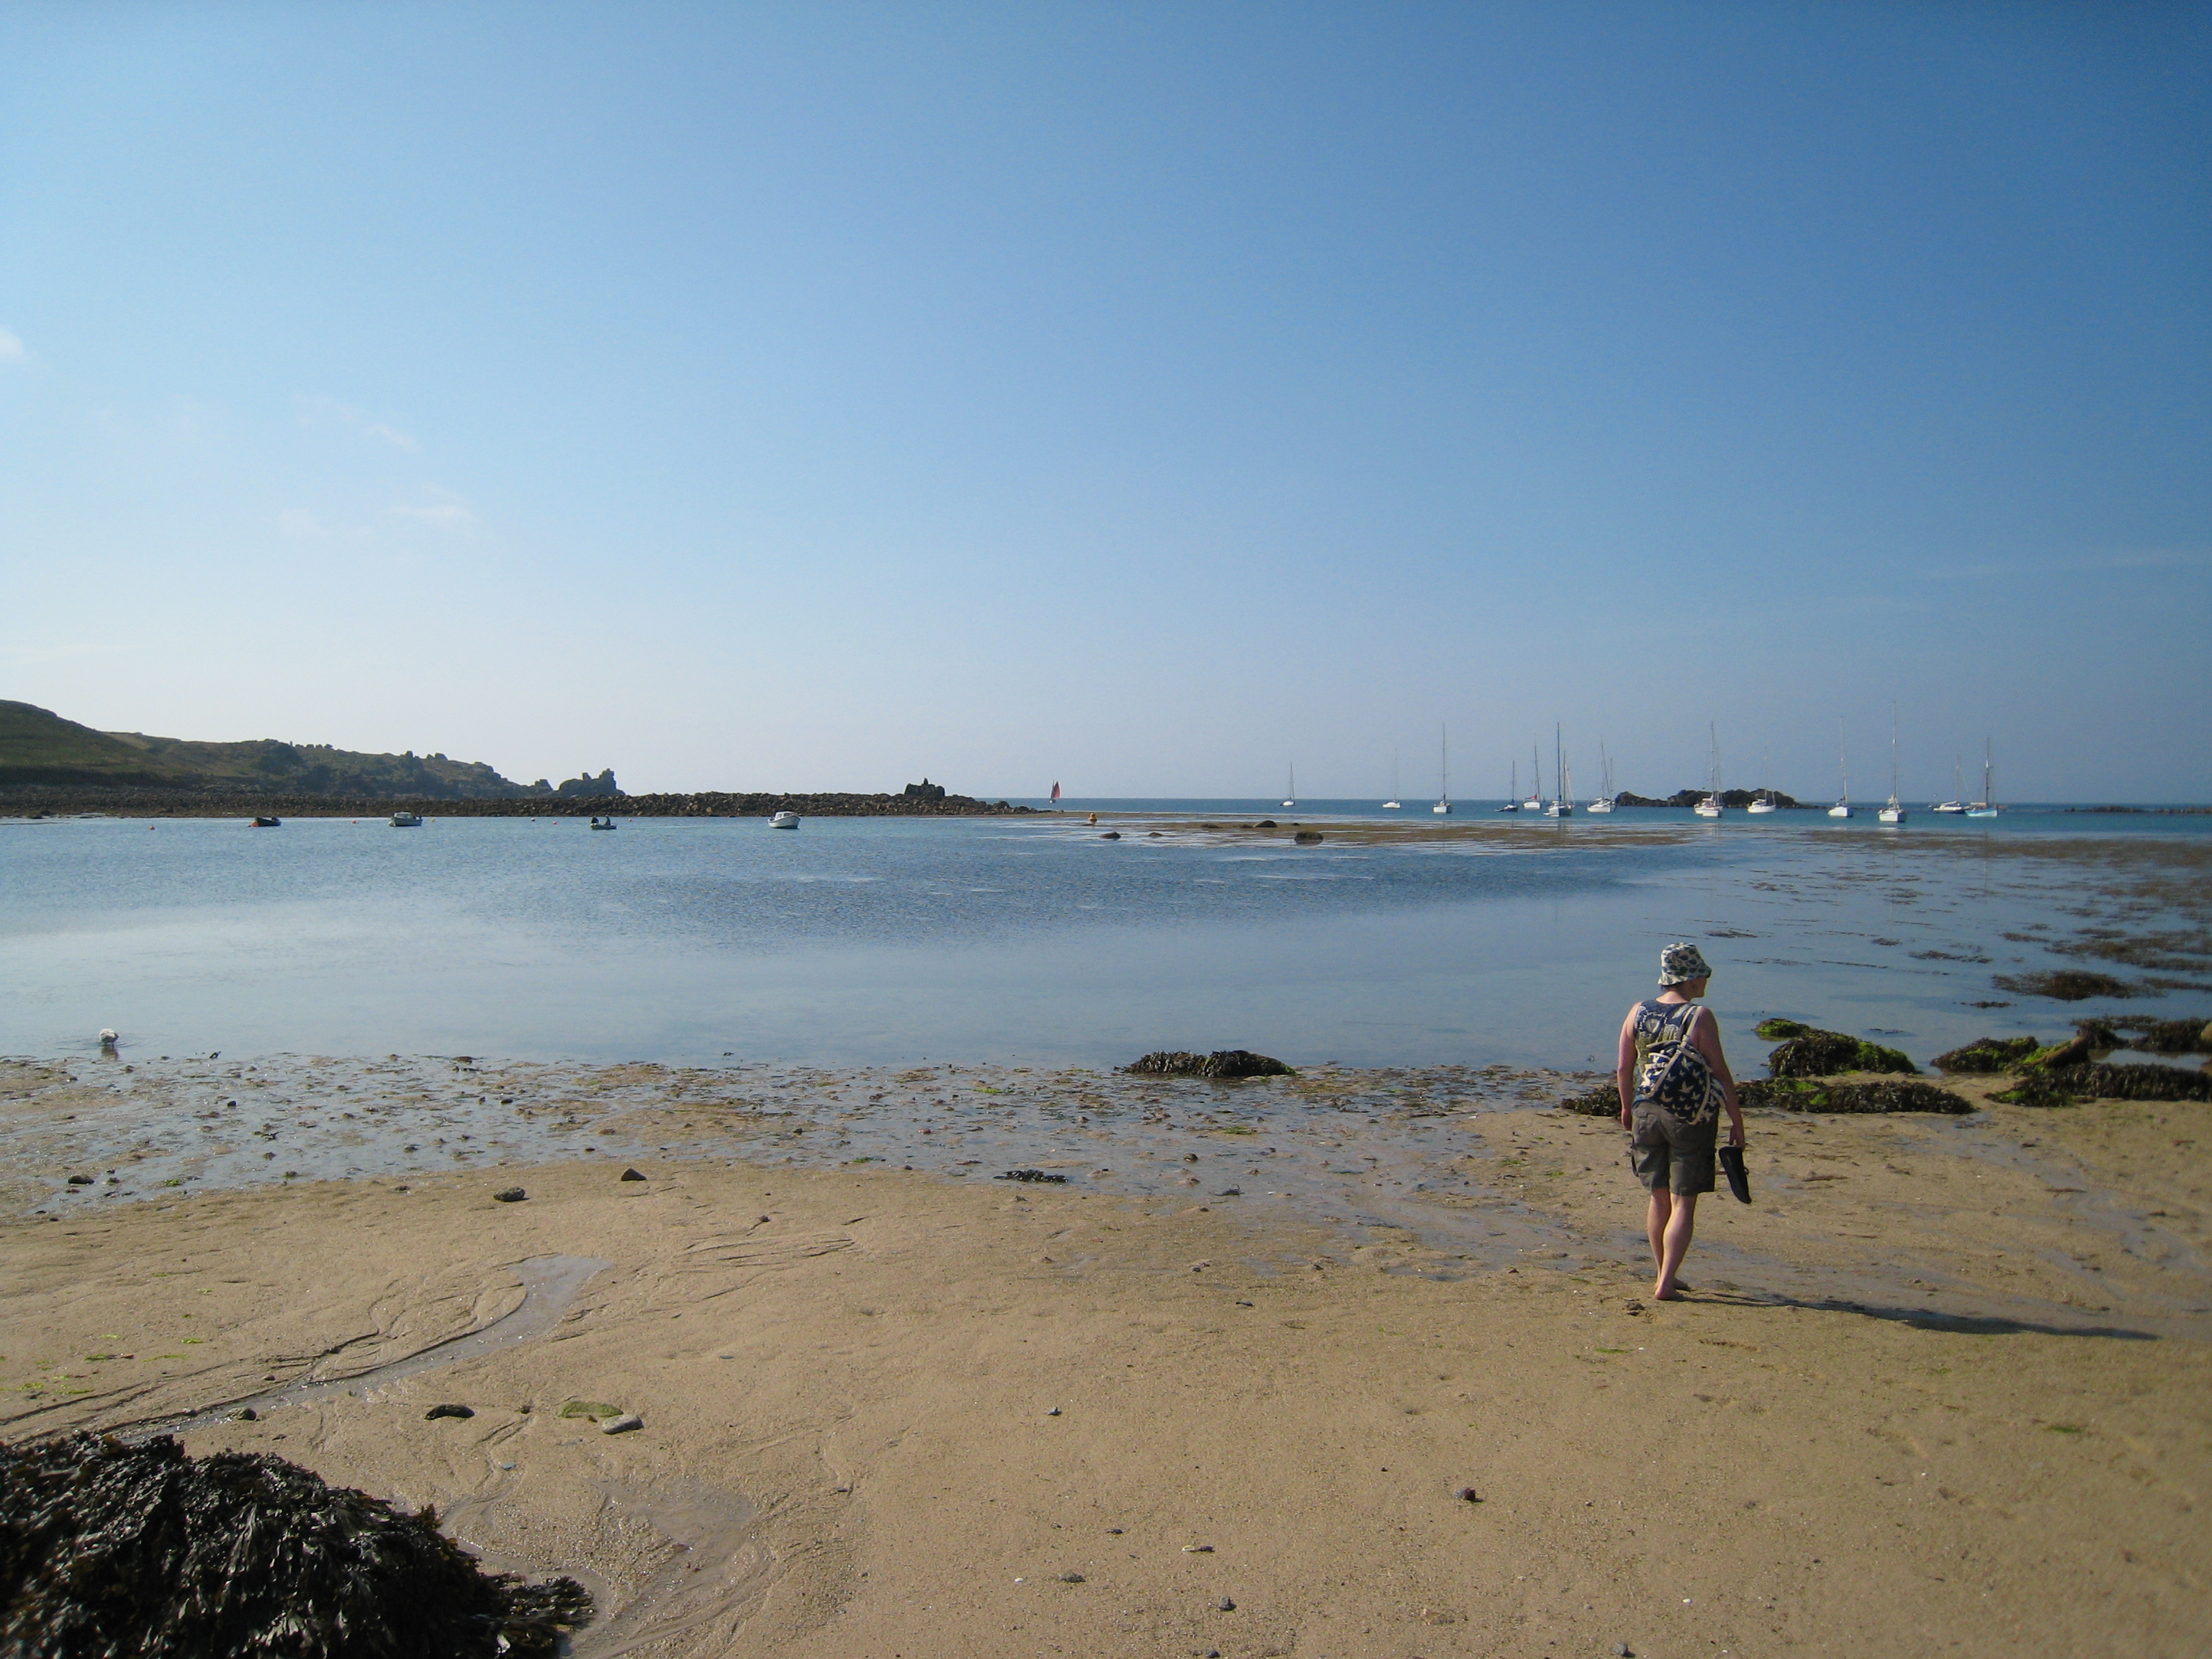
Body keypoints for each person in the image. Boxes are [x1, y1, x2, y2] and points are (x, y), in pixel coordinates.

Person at [1615, 942, 1745, 1300]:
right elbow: (1720, 1073)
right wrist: (1736, 1120)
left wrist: (1626, 1108)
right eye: (1703, 976)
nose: (1706, 982)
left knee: (1658, 1198)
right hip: (1690, 1116)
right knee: (1683, 1201)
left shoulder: (1638, 1011)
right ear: (1691, 980)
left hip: (1645, 1111)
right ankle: (1666, 1282)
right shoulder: (1699, 1017)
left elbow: (1624, 1067)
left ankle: (1663, 1274)